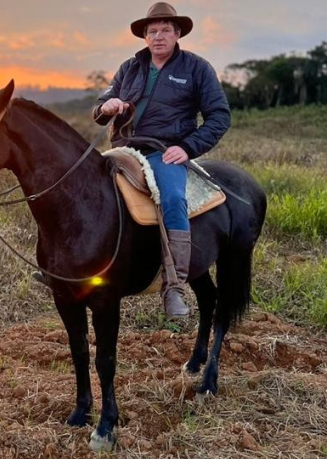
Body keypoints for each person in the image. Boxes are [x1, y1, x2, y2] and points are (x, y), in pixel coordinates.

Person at [92, 2, 231, 318]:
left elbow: (219, 116)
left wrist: (188, 147)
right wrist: (107, 106)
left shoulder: (196, 69)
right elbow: (100, 106)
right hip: (124, 149)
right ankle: (70, 266)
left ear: (177, 33)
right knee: (82, 186)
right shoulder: (130, 67)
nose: (158, 36)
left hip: (163, 152)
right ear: (144, 36)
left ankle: (174, 287)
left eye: (165, 30)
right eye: (152, 31)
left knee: (171, 198)